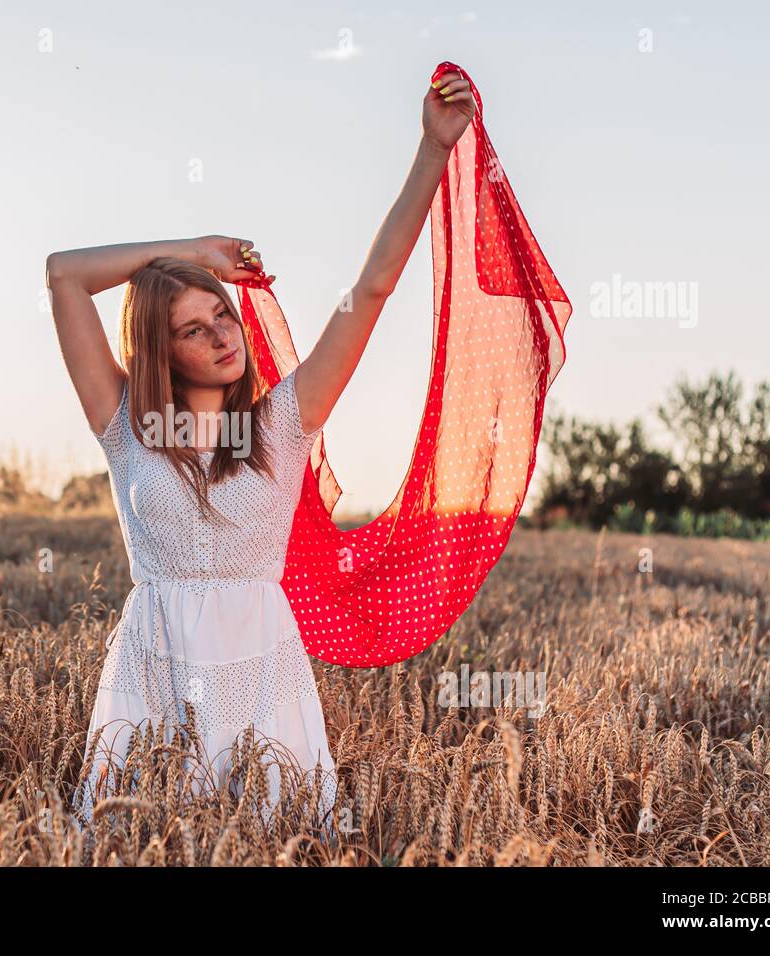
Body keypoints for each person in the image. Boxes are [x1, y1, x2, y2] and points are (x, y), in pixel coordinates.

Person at [45, 72, 477, 836]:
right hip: (154, 664)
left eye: (223, 314)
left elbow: (370, 290)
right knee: (141, 840)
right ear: (161, 352)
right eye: (193, 329)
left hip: (261, 667)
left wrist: (430, 152)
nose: (222, 335)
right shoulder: (124, 425)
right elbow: (64, 275)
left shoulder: (282, 423)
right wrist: (192, 250)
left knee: (272, 838)